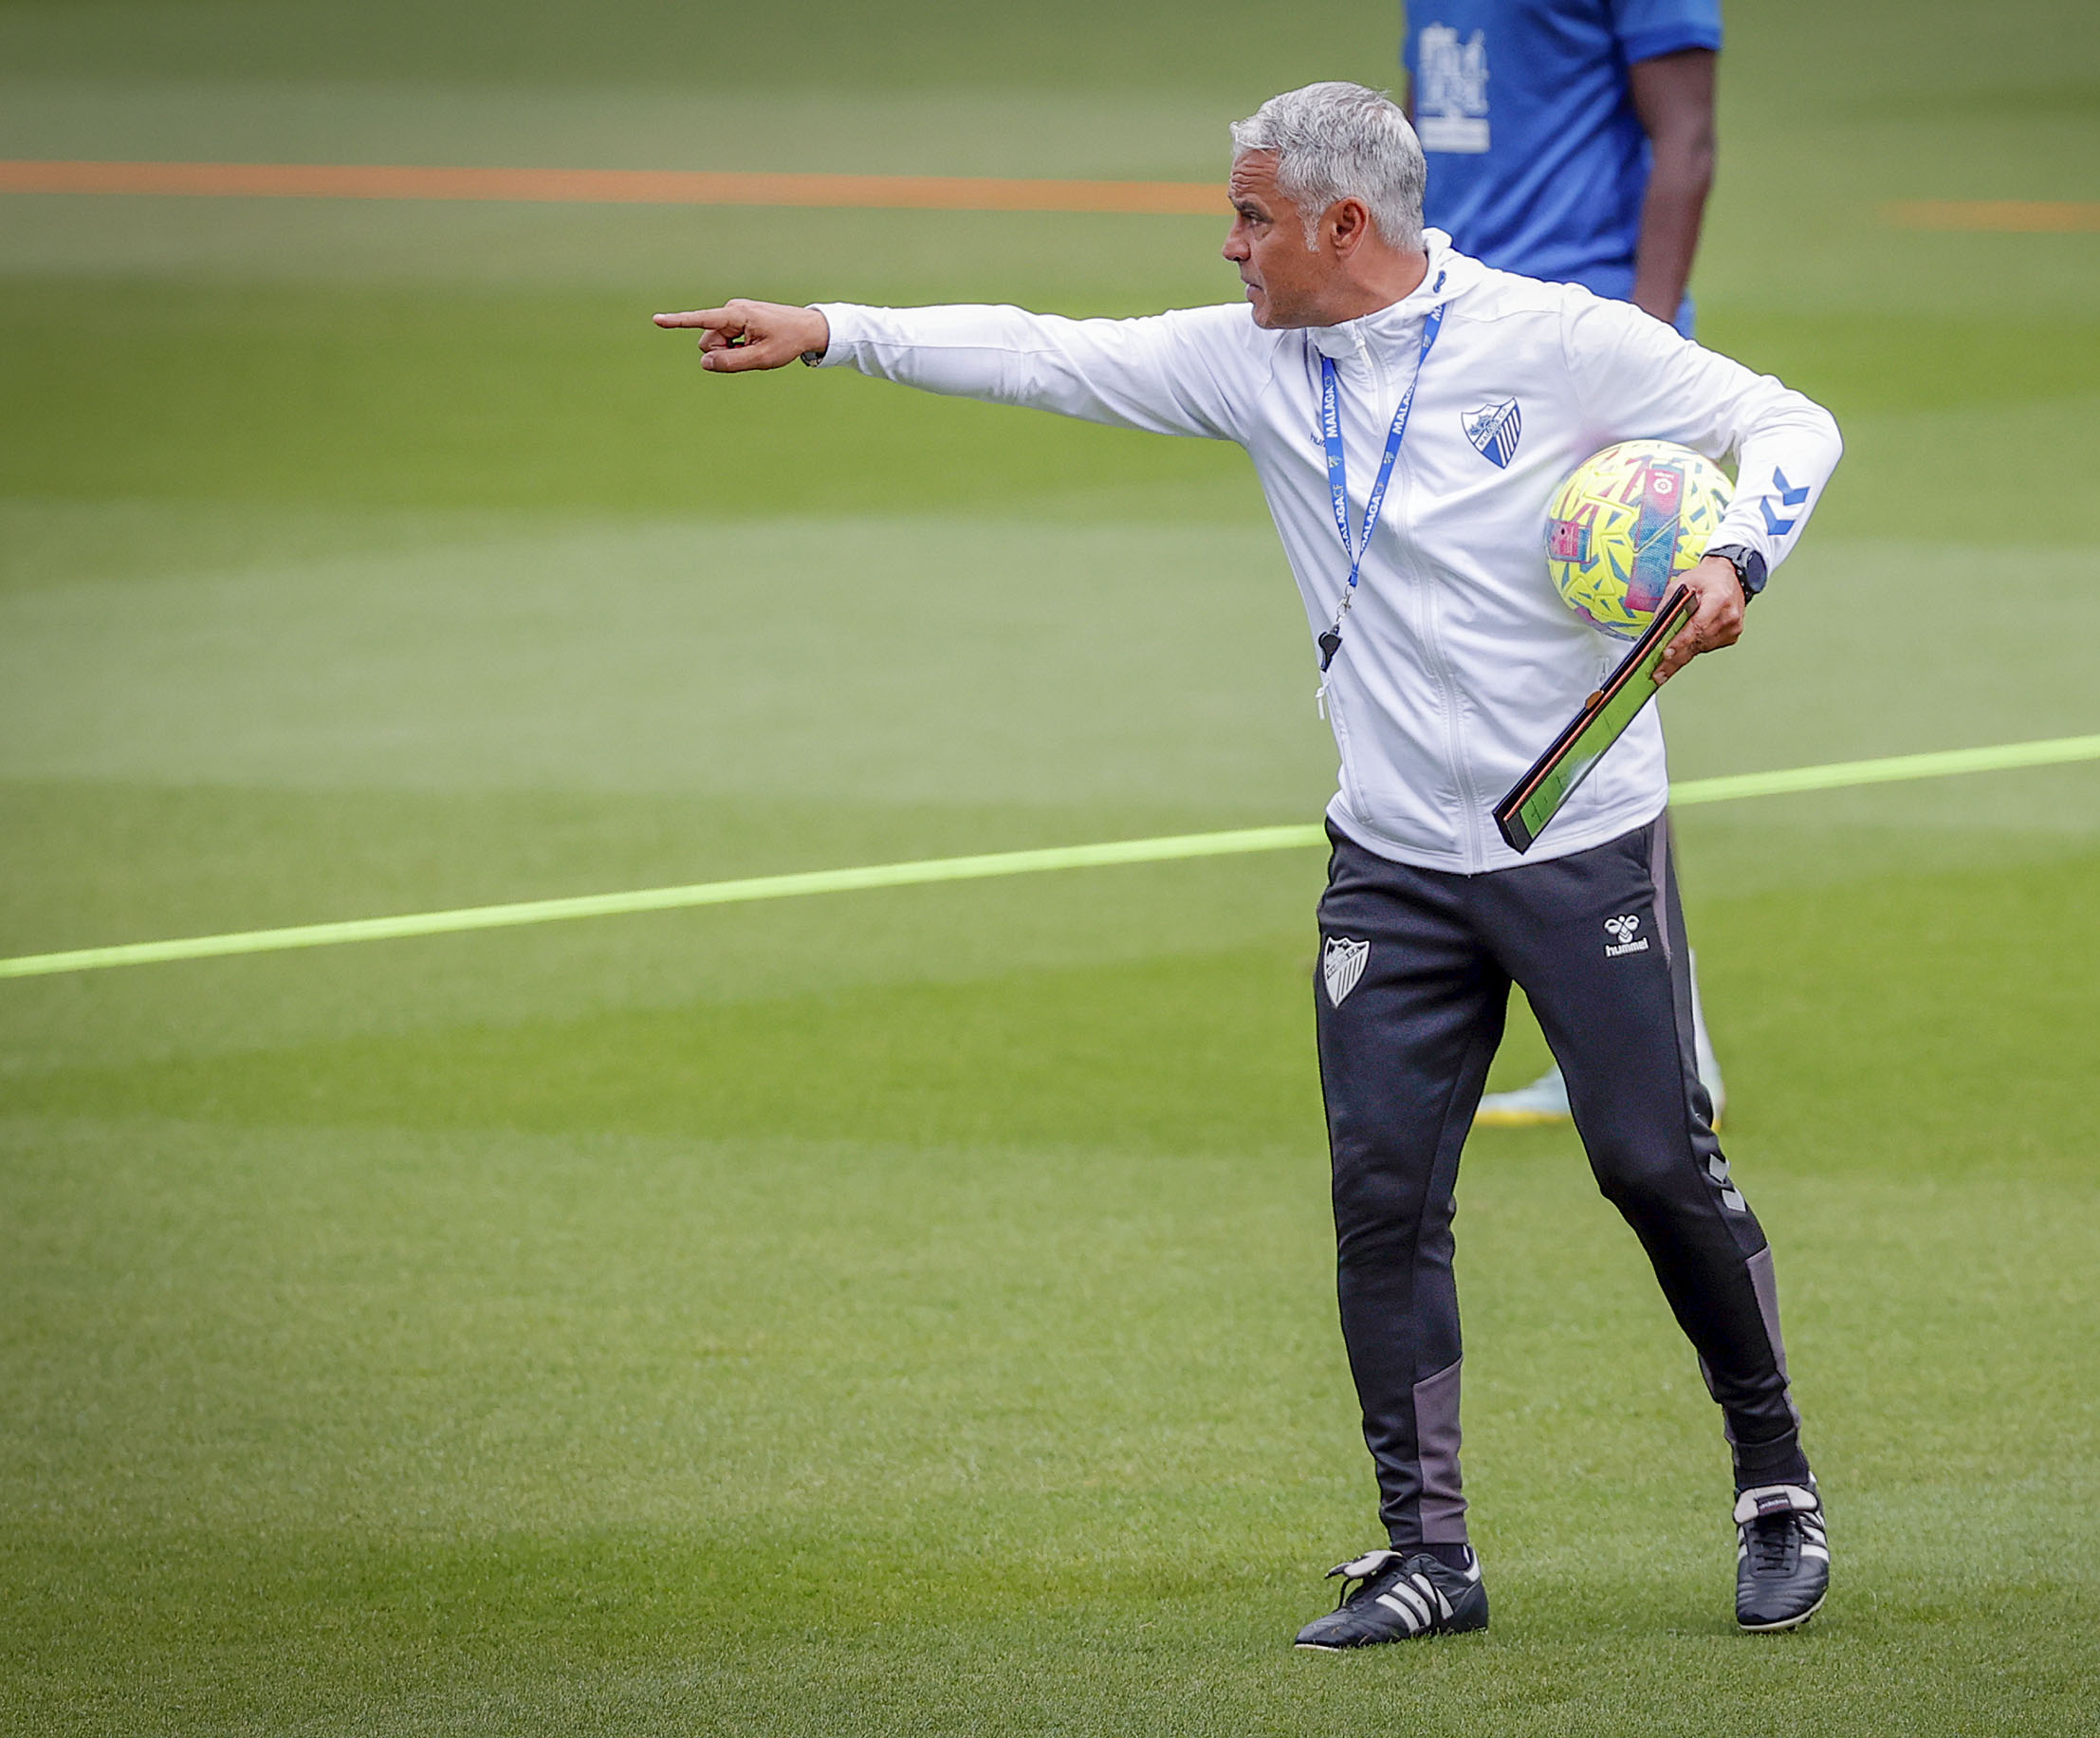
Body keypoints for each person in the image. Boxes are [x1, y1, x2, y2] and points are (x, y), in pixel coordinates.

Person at [654, 81, 1838, 1648]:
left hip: (1577, 836)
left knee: (1647, 1161)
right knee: (1380, 1197)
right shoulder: (1254, 362)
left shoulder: (1553, 340)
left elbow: (1791, 421)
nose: (1227, 246)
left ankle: (1774, 1480)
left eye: (1252, 218)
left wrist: (1731, 554)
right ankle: (1429, 1554)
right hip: (1392, 862)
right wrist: (829, 326)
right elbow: (1043, 349)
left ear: (1347, 224)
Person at [1404, 0, 1736, 1128]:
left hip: (1585, 343)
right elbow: (1424, 126)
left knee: (1596, 694)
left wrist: (1635, 358)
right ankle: (1643, 1033)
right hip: (1452, 348)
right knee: (1494, 672)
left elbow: (1685, 135)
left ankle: (1665, 1039)